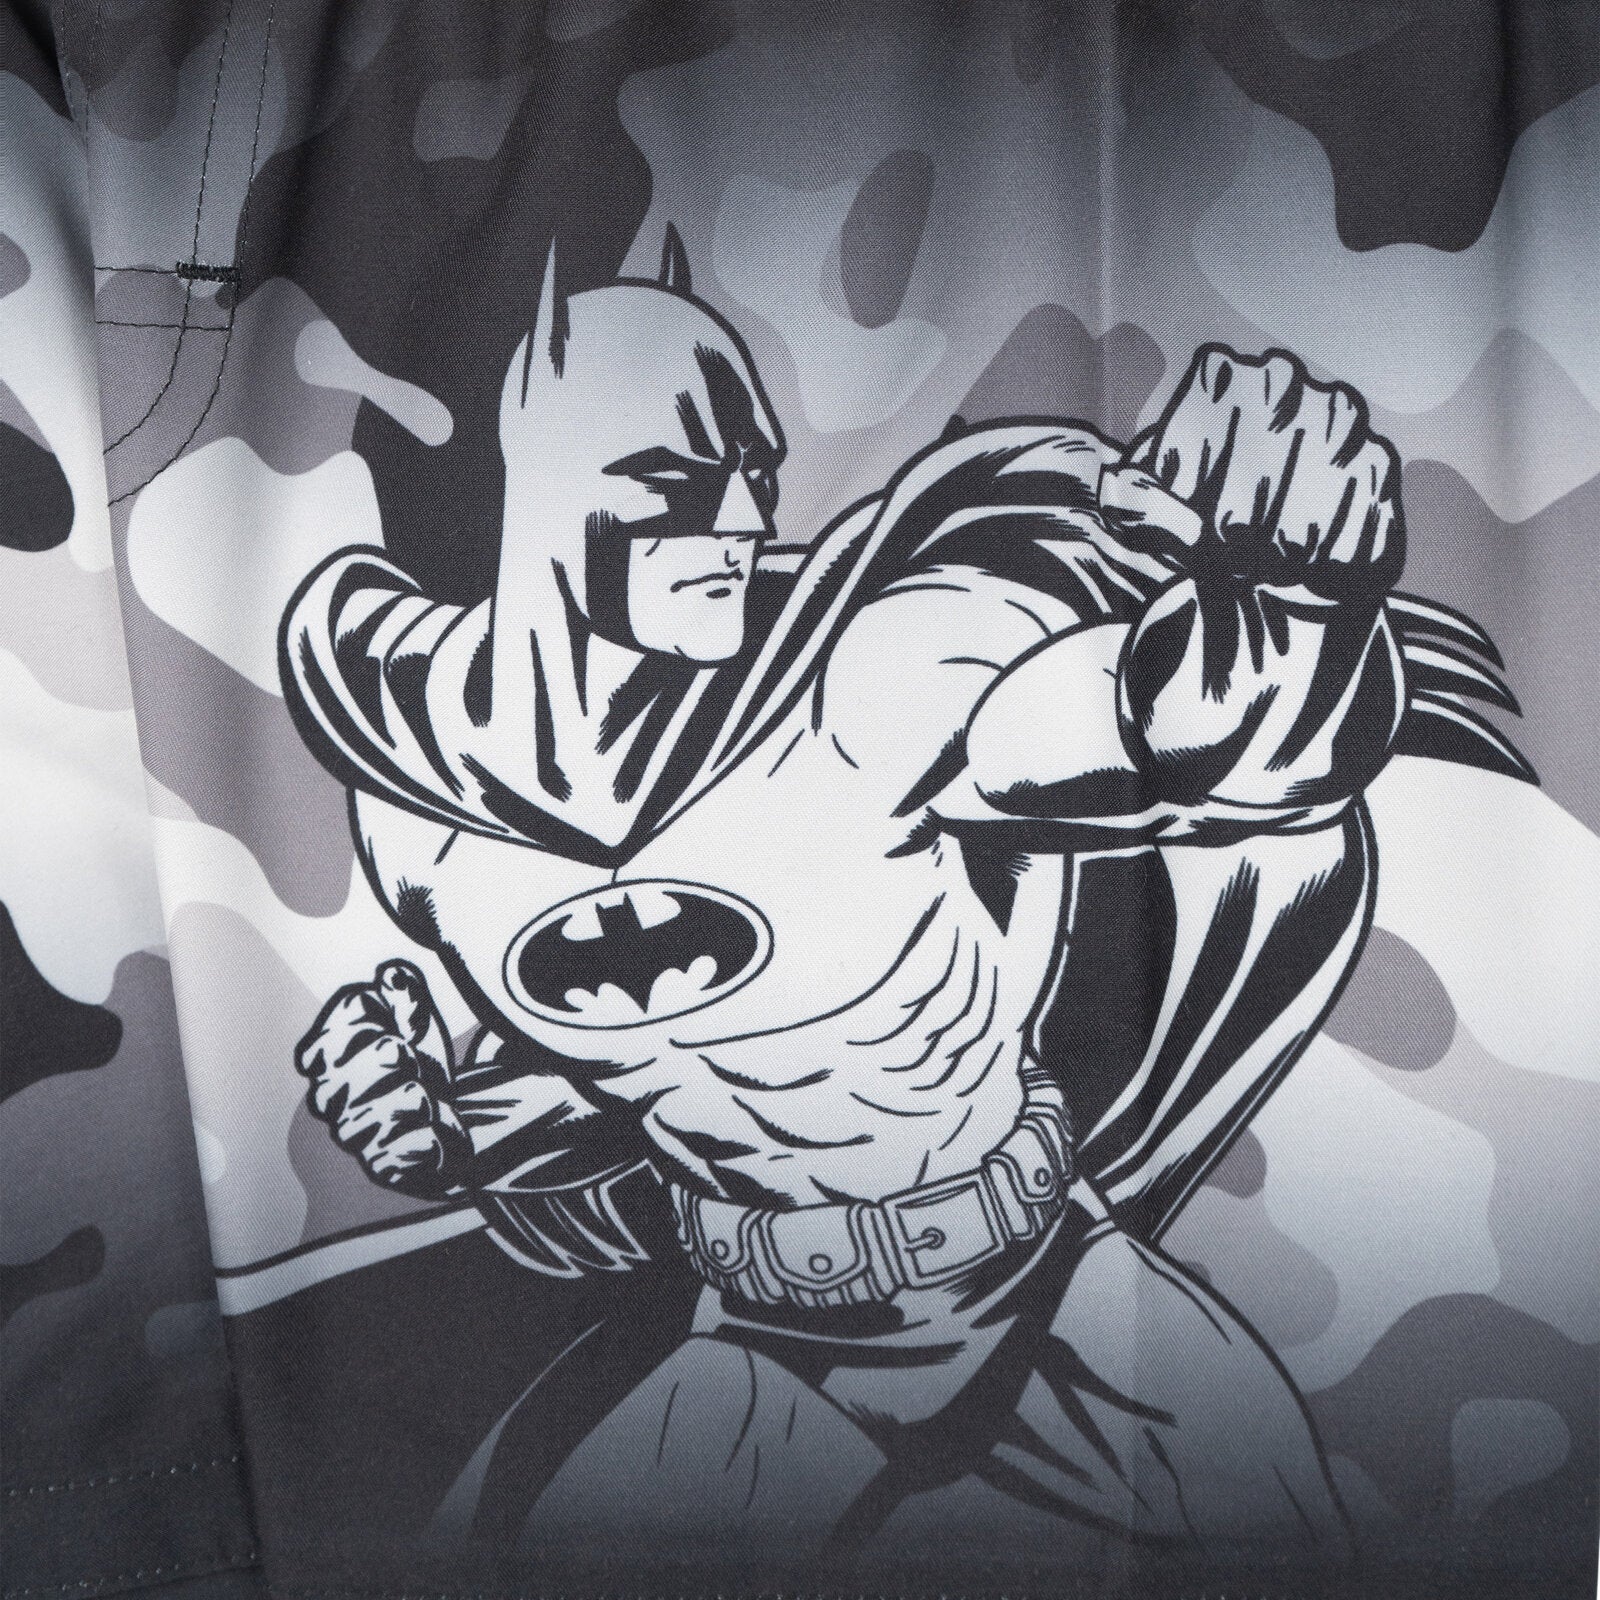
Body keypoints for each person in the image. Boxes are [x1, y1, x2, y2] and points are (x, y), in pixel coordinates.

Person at [281, 232, 1526, 1570]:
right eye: (677, 483)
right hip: (755, 1340)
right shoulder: (421, 818)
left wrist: (1293, 603)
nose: (741, 523)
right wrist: (429, 1094)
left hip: (1051, 1306)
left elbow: (1168, 732)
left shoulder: (882, 681)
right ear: (544, 492)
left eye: (756, 474)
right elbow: (578, 1053)